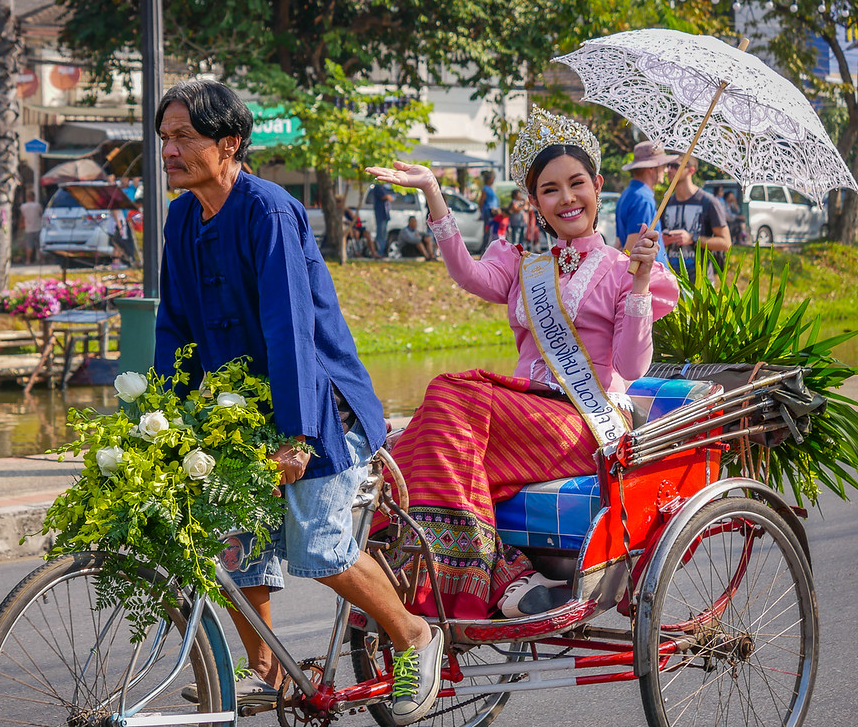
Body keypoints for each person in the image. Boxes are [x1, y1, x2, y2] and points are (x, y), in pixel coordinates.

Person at [152, 79, 442, 725]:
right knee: (233, 542)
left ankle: (413, 635)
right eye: (165, 137)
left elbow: (292, 331)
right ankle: (268, 670)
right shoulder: (181, 218)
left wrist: (298, 436)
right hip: (242, 409)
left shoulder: (269, 211)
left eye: (184, 137)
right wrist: (161, 420)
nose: (169, 150)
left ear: (229, 143)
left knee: (319, 545)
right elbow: (175, 327)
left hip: (319, 408)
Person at [365, 106, 679, 622]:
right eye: (550, 189)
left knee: (450, 390)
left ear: (598, 187)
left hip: (586, 421)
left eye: (576, 183)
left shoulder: (625, 271)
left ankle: (460, 577)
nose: (566, 198)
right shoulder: (524, 265)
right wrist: (433, 193)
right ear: (535, 203)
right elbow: (468, 274)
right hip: (522, 415)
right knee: (407, 450)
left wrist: (641, 282)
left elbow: (631, 364)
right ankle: (501, 573)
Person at [660, 155, 732, 280]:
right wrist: (662, 240)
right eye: (668, 166)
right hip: (671, 280)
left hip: (700, 282)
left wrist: (692, 239)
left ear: (691, 170)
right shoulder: (666, 203)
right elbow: (658, 238)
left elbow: (726, 243)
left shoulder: (708, 202)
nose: (669, 170)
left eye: (675, 166)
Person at [615, 140, 676, 266]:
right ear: (651, 168)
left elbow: (619, 243)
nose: (665, 170)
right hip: (651, 274)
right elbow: (632, 249)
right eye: (663, 165)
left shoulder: (628, 193)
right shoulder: (642, 199)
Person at [477, 170, 501, 253]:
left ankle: (491, 250)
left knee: (493, 232)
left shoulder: (492, 188)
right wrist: (482, 212)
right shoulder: (486, 189)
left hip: (494, 213)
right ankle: (484, 250)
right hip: (488, 212)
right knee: (488, 232)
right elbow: (481, 202)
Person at [19, 190, 43, 265]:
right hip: (38, 227)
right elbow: (41, 213)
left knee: (29, 245)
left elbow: (22, 216)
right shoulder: (37, 205)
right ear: (33, 197)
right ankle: (42, 260)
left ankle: (28, 260)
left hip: (28, 228)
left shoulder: (23, 206)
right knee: (39, 246)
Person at [371, 181, 394, 256]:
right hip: (380, 215)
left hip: (385, 215)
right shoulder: (377, 187)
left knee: (384, 235)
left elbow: (390, 198)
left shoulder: (384, 188)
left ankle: (382, 252)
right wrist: (388, 197)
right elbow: (386, 197)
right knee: (380, 235)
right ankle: (379, 252)